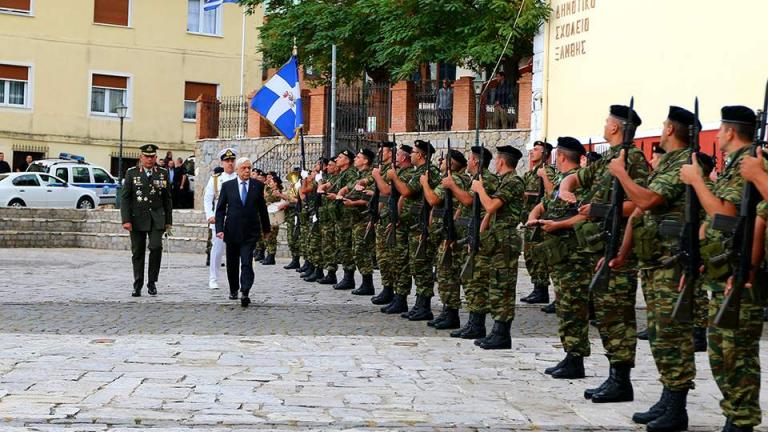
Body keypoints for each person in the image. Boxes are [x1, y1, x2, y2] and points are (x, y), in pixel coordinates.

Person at [606, 106, 700, 431]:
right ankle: (667, 397)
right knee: (660, 335)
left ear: (671, 130)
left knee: (672, 333)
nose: (660, 129)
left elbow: (646, 201)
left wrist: (621, 174)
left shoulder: (684, 164)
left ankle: (677, 407)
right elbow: (640, 214)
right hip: (654, 260)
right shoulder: (670, 163)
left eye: (663, 125)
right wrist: (623, 252)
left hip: (672, 261)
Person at [680, 105, 766, 432]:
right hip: (725, 271)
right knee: (721, 356)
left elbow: (725, 217)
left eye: (720, 129)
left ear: (730, 132)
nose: (716, 135)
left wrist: (698, 180)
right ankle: (734, 414)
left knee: (737, 357)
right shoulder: (737, 167)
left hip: (743, 276)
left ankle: (741, 421)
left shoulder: (751, 166)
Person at [558, 104, 648, 403]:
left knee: (617, 315)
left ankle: (621, 380)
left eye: (607, 121)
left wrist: (601, 209)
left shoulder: (632, 159)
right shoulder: (609, 158)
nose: (604, 124)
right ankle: (613, 376)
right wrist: (565, 188)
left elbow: (639, 203)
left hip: (617, 245)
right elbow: (576, 177)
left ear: (616, 128)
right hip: (596, 243)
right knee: (606, 313)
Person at [527, 137, 589, 376]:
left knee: (574, 307)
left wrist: (559, 225)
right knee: (565, 306)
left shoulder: (580, 183)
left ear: (560, 157)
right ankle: (569, 354)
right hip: (560, 256)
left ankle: (576, 359)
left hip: (575, 256)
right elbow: (544, 204)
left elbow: (586, 215)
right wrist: (534, 216)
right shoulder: (563, 181)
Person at [470, 145, 524, 349]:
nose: (495, 163)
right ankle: (496, 331)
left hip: (506, 240)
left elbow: (491, 206)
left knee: (503, 286)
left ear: (501, 161)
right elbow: (491, 213)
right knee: (496, 285)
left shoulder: (513, 182)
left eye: (497, 160)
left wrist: (480, 189)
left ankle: (502, 334)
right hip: (496, 240)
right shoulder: (504, 181)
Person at [445, 145, 498, 338]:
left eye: (470, 158)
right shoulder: (474, 180)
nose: (467, 162)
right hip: (466, 234)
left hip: (480, 236)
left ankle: (478, 324)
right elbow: (463, 206)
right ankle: (472, 322)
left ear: (476, 160)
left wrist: (452, 186)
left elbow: (469, 201)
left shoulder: (488, 180)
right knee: (468, 280)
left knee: (476, 281)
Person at [388, 140, 440, 320]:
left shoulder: (428, 171)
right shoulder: (418, 171)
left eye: (414, 152)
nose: (411, 155)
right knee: (415, 265)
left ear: (421, 155)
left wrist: (394, 177)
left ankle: (424, 305)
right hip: (412, 226)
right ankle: (418, 303)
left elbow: (407, 191)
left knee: (422, 265)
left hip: (421, 226)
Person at [422, 149, 469, 329]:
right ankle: (447, 311)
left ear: (450, 164)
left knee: (447, 274)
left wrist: (425, 183)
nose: (440, 162)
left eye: (443, 160)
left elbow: (433, 199)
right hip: (447, 231)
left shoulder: (454, 179)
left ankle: (451, 314)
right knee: (444, 274)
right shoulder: (456, 178)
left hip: (450, 234)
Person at [215, 157, 271, 308]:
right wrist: (219, 229)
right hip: (232, 231)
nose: (247, 171)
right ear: (237, 170)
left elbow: (262, 209)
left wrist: (266, 229)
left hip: (250, 231)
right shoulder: (228, 186)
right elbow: (220, 210)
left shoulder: (257, 186)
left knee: (246, 262)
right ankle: (234, 289)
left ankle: (245, 291)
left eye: (249, 168)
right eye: (244, 168)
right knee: (232, 263)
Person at [120, 144, 173, 297]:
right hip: (137, 218)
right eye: (146, 156)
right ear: (141, 157)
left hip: (157, 218)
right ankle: (137, 284)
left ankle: (152, 282)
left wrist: (168, 221)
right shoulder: (132, 173)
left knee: (156, 247)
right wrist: (126, 219)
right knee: (138, 252)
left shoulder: (162, 173)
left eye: (152, 157)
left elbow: (167, 198)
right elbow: (125, 199)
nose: (149, 159)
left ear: (156, 158)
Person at [521, 140, 557, 305]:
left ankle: (542, 290)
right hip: (529, 221)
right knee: (531, 256)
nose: (532, 152)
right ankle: (538, 288)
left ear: (545, 154)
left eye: (536, 150)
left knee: (541, 257)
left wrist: (544, 176)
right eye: (532, 149)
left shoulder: (547, 171)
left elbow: (552, 195)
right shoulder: (529, 174)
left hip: (542, 222)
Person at [340, 148, 377, 295]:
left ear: (366, 160)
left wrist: (353, 203)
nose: (356, 159)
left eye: (359, 157)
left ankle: (368, 284)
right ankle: (362, 282)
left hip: (365, 218)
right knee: (356, 250)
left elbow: (372, 198)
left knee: (361, 250)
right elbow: (349, 188)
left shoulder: (371, 175)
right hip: (355, 218)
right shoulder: (359, 175)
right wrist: (342, 193)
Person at [203, 148, 238, 289]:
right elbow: (207, 198)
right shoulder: (216, 179)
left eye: (232, 160)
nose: (230, 163)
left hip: (235, 219)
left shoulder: (239, 177)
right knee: (217, 251)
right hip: (220, 220)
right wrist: (210, 215)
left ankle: (235, 280)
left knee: (235, 251)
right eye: (227, 161)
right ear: (222, 162)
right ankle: (213, 278)